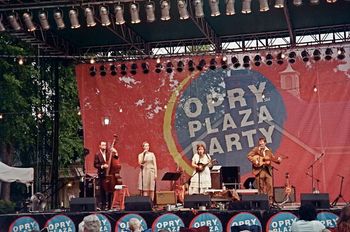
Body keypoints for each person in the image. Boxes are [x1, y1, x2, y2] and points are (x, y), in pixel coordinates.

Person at [247, 137, 281, 204]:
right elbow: (249, 156)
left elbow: (273, 158)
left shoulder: (268, 150)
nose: (261, 145)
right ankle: (261, 201)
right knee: (260, 186)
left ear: (265, 143)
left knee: (270, 185)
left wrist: (278, 160)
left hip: (267, 170)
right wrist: (255, 161)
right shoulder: (256, 149)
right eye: (260, 144)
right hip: (259, 170)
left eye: (262, 143)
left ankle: (270, 201)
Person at [94, 140, 119, 210]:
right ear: (100, 146)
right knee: (102, 190)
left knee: (110, 190)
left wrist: (115, 152)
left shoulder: (109, 153)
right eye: (102, 145)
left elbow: (116, 158)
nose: (104, 146)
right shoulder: (97, 154)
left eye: (105, 145)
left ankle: (110, 206)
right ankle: (103, 206)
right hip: (102, 174)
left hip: (110, 175)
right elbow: (95, 164)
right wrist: (102, 166)